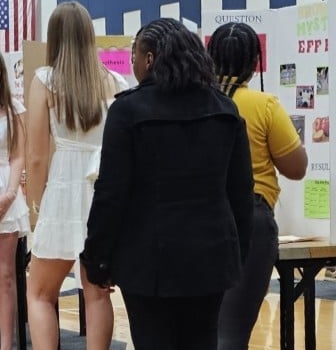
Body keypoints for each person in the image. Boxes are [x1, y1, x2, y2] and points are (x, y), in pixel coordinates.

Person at [81, 18, 254, 349]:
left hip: (147, 261)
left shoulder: (127, 111)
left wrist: (97, 259)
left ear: (148, 59)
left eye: (135, 54)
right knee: (203, 340)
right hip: (211, 257)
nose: (132, 63)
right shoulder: (224, 109)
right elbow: (241, 194)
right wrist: (237, 255)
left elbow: (111, 195)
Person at [25, 1, 127, 350]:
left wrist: (36, 206)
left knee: (39, 292)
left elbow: (37, 156)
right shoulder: (116, 81)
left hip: (63, 193)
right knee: (97, 292)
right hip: (104, 194)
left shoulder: (45, 80)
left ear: (54, 38)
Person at [206, 21, 308, 349]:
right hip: (251, 218)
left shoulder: (194, 102)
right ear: (255, 63)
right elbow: (296, 168)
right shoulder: (264, 105)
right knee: (232, 332)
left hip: (196, 216)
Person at [0, 57, 28, 350]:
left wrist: (9, 195)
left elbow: (19, 155)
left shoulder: (14, 109)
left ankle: (5, 344)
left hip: (6, 192)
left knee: (5, 275)